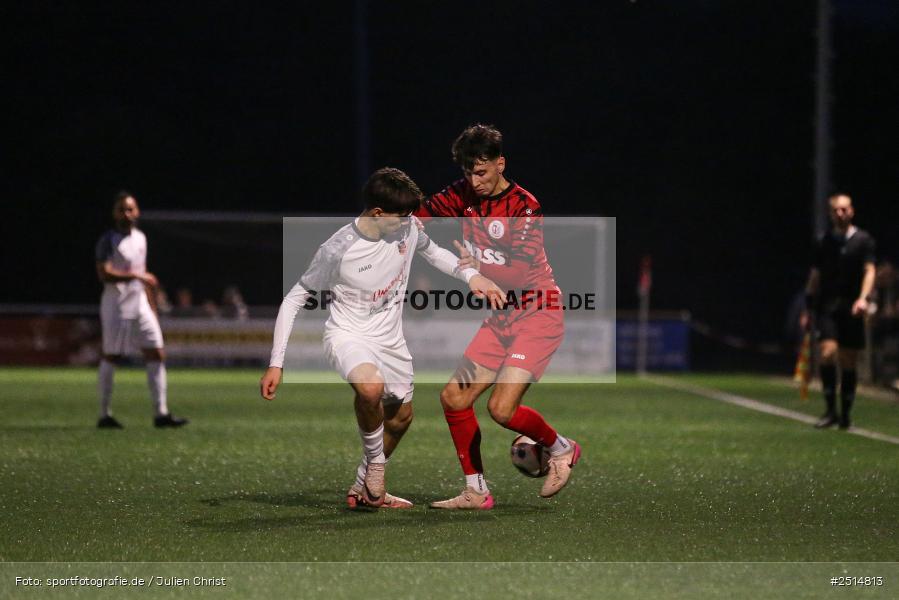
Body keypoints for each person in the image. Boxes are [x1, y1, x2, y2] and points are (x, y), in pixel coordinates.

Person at [260, 167, 504, 509]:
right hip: (348, 334)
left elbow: (434, 253)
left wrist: (472, 276)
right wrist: (276, 363)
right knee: (370, 388)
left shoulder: (407, 229)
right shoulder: (337, 248)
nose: (410, 221)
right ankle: (376, 469)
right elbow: (295, 297)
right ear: (377, 213)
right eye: (401, 215)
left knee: (401, 418)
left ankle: (363, 487)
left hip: (391, 342)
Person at [414, 124, 581, 509]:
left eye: (482, 171)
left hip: (539, 313)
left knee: (501, 410)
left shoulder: (525, 206)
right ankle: (476, 490)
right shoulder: (462, 193)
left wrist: (474, 270)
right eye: (469, 172)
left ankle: (562, 448)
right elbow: (420, 215)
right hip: (503, 318)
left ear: (500, 163)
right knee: (454, 399)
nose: (475, 181)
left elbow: (520, 275)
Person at [94, 191, 189, 428]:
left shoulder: (141, 238)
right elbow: (104, 273)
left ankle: (161, 414)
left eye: (130, 209)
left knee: (156, 353)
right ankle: (104, 414)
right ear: (114, 213)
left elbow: (143, 276)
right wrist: (136, 275)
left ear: (137, 212)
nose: (126, 213)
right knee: (111, 356)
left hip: (141, 305)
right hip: (116, 305)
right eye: (121, 209)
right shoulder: (108, 240)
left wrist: (152, 306)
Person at [801, 193, 876, 430]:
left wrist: (863, 299)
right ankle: (830, 410)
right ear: (830, 213)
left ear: (851, 211)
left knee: (848, 360)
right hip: (827, 306)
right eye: (836, 210)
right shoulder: (823, 241)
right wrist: (808, 306)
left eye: (845, 209)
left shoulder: (863, 240)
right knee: (826, 353)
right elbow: (815, 275)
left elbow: (870, 270)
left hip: (852, 307)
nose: (841, 213)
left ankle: (845, 414)